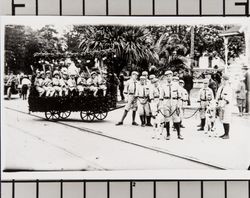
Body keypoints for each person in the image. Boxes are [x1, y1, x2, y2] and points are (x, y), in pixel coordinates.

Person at [160, 70, 183, 140]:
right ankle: (168, 134)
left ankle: (179, 134)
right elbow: (161, 97)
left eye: (169, 76)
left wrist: (178, 105)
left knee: (176, 118)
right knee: (166, 118)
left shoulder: (176, 85)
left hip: (174, 102)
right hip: (166, 102)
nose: (168, 78)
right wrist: (160, 105)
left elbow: (179, 96)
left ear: (172, 76)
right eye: (167, 76)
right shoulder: (163, 86)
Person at [216, 74, 233, 139]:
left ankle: (227, 134)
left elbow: (228, 98)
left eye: (225, 80)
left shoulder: (229, 88)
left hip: (226, 105)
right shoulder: (220, 88)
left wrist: (223, 103)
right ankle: (224, 133)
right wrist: (217, 102)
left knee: (226, 119)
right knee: (222, 119)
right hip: (221, 104)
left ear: (227, 81)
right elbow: (217, 96)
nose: (223, 81)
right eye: (223, 80)